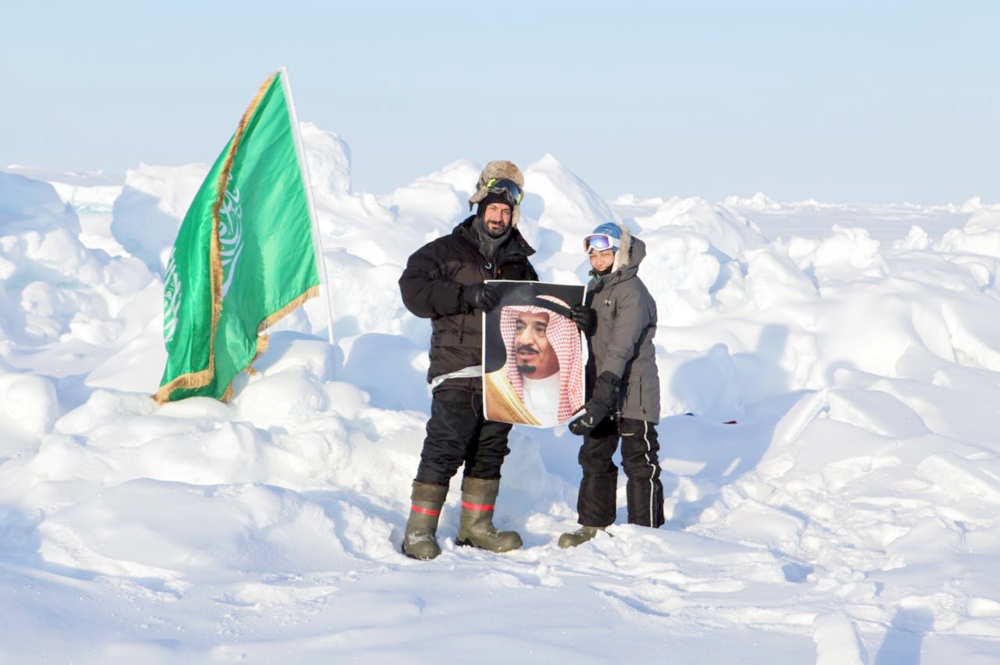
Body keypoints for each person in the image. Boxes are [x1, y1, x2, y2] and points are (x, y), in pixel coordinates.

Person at [398, 160, 538, 560]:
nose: (498, 217)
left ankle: (476, 528)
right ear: (479, 208)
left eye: (505, 211)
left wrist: (571, 318)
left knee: (491, 449)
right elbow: (414, 292)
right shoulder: (443, 252)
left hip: (503, 372)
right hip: (457, 366)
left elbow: (539, 312)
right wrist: (465, 295)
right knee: (445, 445)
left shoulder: (520, 263)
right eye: (492, 209)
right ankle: (419, 532)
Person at [561, 222, 664, 548]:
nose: (598, 258)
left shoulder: (633, 291)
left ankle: (645, 534)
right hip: (602, 387)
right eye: (593, 253)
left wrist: (601, 397)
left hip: (633, 390)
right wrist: (587, 325)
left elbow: (621, 347)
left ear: (620, 253)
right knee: (594, 456)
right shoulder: (597, 288)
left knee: (639, 461)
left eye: (605, 252)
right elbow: (599, 341)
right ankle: (593, 525)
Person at [484, 297, 584, 427]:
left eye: (540, 330)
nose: (525, 340)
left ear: (563, 340)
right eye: (519, 328)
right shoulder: (495, 391)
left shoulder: (582, 400)